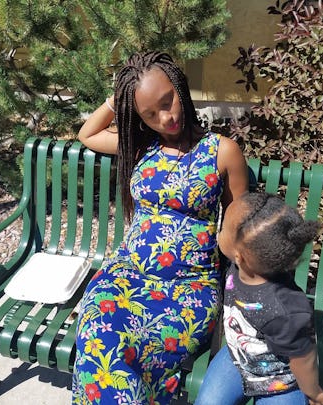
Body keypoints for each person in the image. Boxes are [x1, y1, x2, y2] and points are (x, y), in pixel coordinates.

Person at [72, 50, 249, 404]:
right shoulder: (141, 146)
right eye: (150, 114)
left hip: (187, 290)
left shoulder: (221, 151)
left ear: (180, 88)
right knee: (99, 337)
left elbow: (239, 230)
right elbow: (87, 134)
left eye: (168, 103)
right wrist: (119, 96)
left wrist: (241, 298)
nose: (165, 119)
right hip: (126, 275)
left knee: (128, 353)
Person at [194, 192, 323, 405]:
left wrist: (313, 392)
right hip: (236, 358)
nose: (218, 233)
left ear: (239, 255)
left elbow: (303, 359)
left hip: (279, 380)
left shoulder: (287, 309)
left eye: (223, 230)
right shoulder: (239, 266)